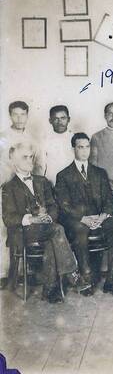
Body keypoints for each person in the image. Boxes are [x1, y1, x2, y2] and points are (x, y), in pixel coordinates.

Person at [2, 142, 81, 303]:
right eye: (25, 157)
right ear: (15, 162)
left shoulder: (42, 181)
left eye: (31, 157)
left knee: (53, 238)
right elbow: (8, 218)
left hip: (46, 229)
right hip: (23, 232)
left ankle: (50, 290)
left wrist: (49, 217)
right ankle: (72, 272)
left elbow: (53, 206)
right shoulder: (9, 187)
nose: (29, 160)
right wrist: (31, 219)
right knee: (57, 230)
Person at [55, 133, 113, 296]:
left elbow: (108, 199)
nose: (85, 151)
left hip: (99, 216)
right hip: (77, 220)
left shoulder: (100, 173)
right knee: (80, 232)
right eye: (80, 147)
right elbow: (64, 205)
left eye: (87, 147)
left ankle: (111, 281)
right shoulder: (63, 175)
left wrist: (103, 216)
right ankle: (86, 280)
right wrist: (83, 218)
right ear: (73, 149)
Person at [0, 101, 40, 288]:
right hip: (6, 189)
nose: (19, 118)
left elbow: (38, 164)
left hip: (26, 190)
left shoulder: (32, 138)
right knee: (5, 230)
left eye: (22, 114)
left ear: (27, 115)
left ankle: (27, 273)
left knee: (28, 227)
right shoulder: (2, 138)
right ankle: (4, 273)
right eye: (15, 114)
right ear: (10, 115)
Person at [41, 105, 74, 185]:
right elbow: (41, 166)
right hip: (51, 183)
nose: (60, 122)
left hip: (72, 183)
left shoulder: (75, 138)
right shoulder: (44, 140)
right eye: (56, 119)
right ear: (50, 121)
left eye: (63, 118)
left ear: (68, 119)